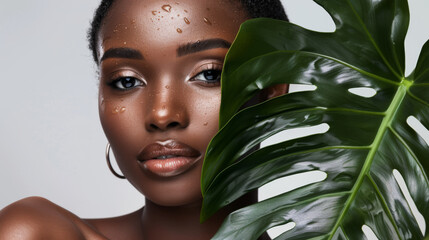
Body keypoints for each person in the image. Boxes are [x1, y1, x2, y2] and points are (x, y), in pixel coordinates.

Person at [0, 0, 288, 239]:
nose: (161, 115)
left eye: (208, 74)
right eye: (126, 81)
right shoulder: (38, 233)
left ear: (273, 90)